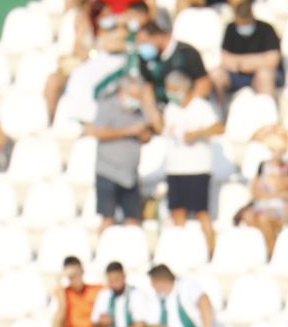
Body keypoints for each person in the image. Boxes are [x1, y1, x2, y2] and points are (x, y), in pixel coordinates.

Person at [161, 71, 221, 255]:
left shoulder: (201, 107)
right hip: (175, 168)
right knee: (178, 211)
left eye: (172, 89)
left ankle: (211, 251)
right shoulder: (170, 109)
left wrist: (196, 134)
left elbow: (219, 127)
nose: (169, 93)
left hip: (197, 168)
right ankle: (182, 250)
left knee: (202, 212)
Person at [88, 77, 160, 229]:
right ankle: (103, 250)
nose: (136, 100)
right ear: (123, 92)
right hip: (108, 171)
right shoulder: (107, 106)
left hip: (130, 175)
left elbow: (152, 133)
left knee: (134, 220)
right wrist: (128, 131)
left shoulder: (139, 111)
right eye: (134, 96)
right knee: (108, 218)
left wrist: (143, 134)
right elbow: (97, 132)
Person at [212, 2, 284, 101]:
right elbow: (225, 59)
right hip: (236, 75)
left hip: (260, 73)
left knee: (265, 75)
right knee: (216, 74)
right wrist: (257, 60)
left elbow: (273, 60)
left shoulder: (266, 29)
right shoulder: (231, 29)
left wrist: (239, 62)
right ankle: (220, 112)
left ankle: (267, 112)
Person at [40, 257, 102, 327]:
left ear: (82, 272)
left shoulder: (96, 290)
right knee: (59, 313)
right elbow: (55, 294)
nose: (75, 279)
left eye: (77, 275)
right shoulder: (65, 292)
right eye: (71, 276)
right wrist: (61, 276)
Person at [139, 18, 213, 103]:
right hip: (166, 108)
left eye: (144, 42)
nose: (142, 47)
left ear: (157, 36)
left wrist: (191, 107)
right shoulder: (147, 60)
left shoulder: (186, 53)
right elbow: (147, 86)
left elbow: (203, 82)